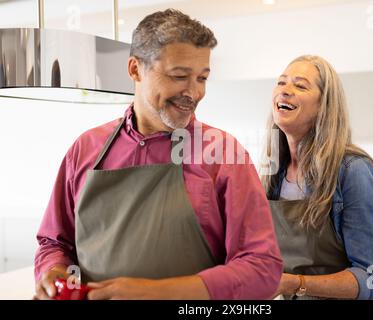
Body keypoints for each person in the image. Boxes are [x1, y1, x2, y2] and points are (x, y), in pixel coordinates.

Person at [34, 9, 282, 300]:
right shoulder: (85, 148)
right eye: (179, 76)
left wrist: (157, 292)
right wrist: (53, 272)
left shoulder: (223, 155)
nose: (194, 92)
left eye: (202, 78)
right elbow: (55, 242)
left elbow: (262, 269)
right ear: (135, 69)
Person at [260, 55, 373, 300]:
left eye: (300, 85)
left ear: (324, 106)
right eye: (281, 83)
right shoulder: (272, 174)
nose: (285, 91)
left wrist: (293, 284)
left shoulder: (353, 171)